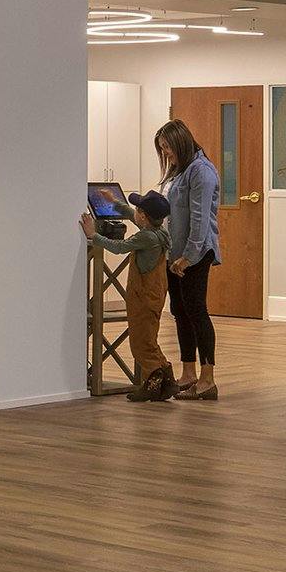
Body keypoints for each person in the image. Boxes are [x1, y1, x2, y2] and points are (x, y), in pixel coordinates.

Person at [82, 191, 175, 403]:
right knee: (149, 340)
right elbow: (133, 215)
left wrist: (92, 234)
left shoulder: (145, 237)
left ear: (143, 216)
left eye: (138, 210)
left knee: (140, 345)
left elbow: (118, 247)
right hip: (155, 295)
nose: (136, 213)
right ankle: (166, 381)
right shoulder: (159, 233)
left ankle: (153, 383)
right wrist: (114, 202)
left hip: (142, 297)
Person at [155, 119, 223, 400]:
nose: (166, 153)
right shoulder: (178, 171)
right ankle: (188, 372)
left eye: (168, 147)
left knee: (196, 310)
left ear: (180, 142)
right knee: (180, 311)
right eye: (162, 149)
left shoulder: (202, 172)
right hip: (175, 253)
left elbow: (200, 220)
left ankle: (208, 379)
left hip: (195, 253)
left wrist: (189, 257)